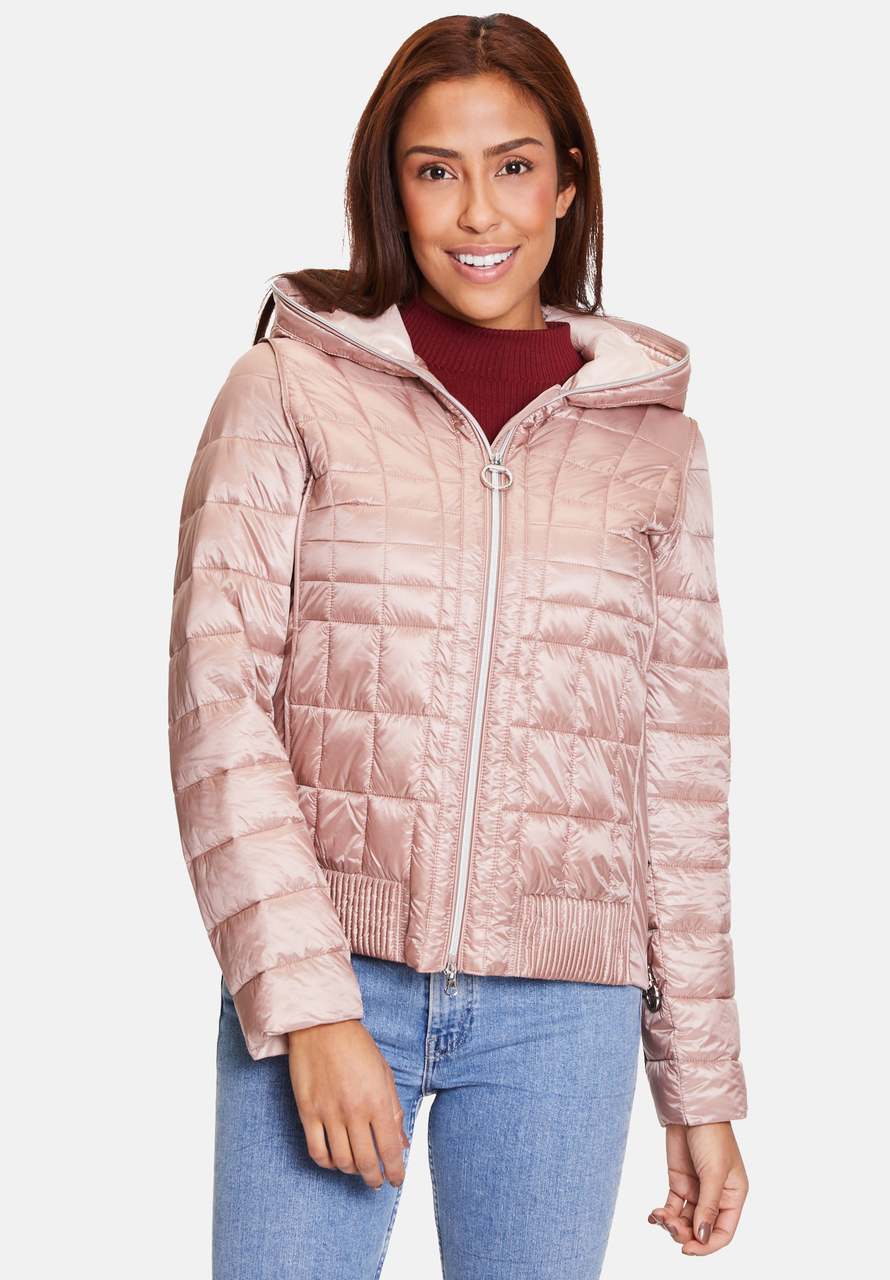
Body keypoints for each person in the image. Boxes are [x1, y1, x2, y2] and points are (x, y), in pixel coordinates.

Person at [168, 13, 748, 1279]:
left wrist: (698, 1082)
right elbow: (220, 704)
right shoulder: (287, 389)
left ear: (566, 182)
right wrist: (310, 1003)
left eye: (513, 165)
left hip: (565, 1014)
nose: (477, 211)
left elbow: (676, 783)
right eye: (435, 169)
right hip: (334, 976)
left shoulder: (654, 445)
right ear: (391, 189)